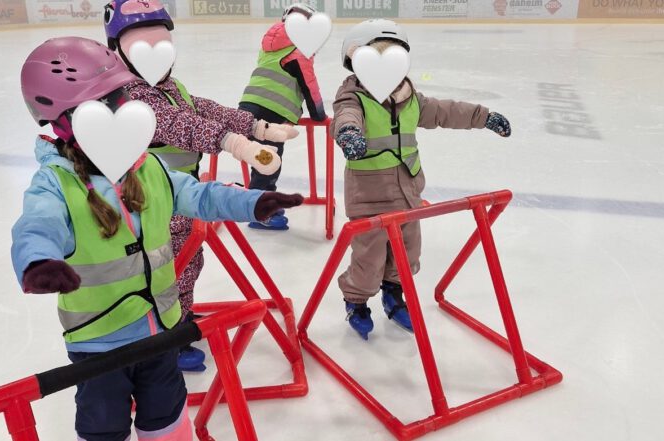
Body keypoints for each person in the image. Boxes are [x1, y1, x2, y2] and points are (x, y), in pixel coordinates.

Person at [13, 36, 303, 441]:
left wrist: (254, 202)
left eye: (119, 99)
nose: (120, 111)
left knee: (167, 420)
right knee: (103, 429)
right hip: (100, 346)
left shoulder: (148, 167)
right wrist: (38, 260)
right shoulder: (56, 185)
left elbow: (200, 195)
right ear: (62, 121)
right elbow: (37, 224)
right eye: (103, 105)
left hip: (161, 331)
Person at [103, 0, 298, 371]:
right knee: (163, 272)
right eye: (143, 47)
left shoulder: (169, 87)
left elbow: (204, 109)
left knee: (188, 264)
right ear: (118, 52)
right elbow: (179, 125)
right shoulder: (129, 97)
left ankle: (180, 318)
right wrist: (235, 144)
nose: (157, 55)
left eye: (162, 45)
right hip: (150, 206)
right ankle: (165, 340)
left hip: (182, 198)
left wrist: (257, 127)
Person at [331, 20, 511, 340]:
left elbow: (446, 111)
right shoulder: (353, 97)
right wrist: (348, 134)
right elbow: (346, 117)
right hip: (369, 195)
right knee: (369, 257)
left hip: (408, 191)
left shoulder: (411, 99)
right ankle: (356, 301)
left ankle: (393, 294)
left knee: (407, 252)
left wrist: (483, 117)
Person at [239, 2, 327, 230]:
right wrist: (318, 115)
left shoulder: (271, 46)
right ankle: (260, 212)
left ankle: (259, 202)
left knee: (261, 158)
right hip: (272, 112)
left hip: (248, 105)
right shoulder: (298, 51)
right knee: (269, 162)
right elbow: (309, 84)